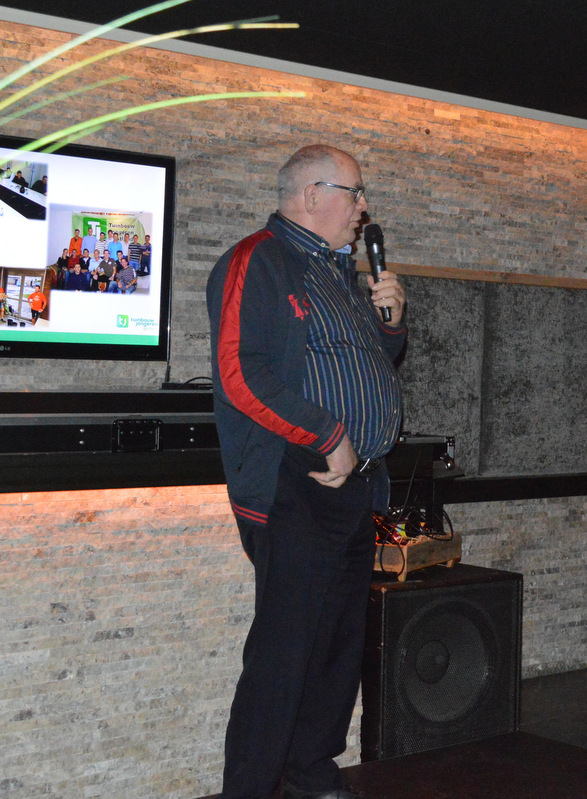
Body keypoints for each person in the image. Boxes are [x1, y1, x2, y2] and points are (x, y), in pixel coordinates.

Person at [207, 144, 406, 799]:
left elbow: (367, 363)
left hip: (355, 488)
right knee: (283, 655)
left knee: (335, 649)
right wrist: (329, 436)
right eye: (354, 192)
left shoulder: (337, 271)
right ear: (310, 194)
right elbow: (240, 372)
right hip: (296, 484)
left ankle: (309, 768)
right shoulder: (257, 260)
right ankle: (251, 788)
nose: (363, 206)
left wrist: (391, 324)